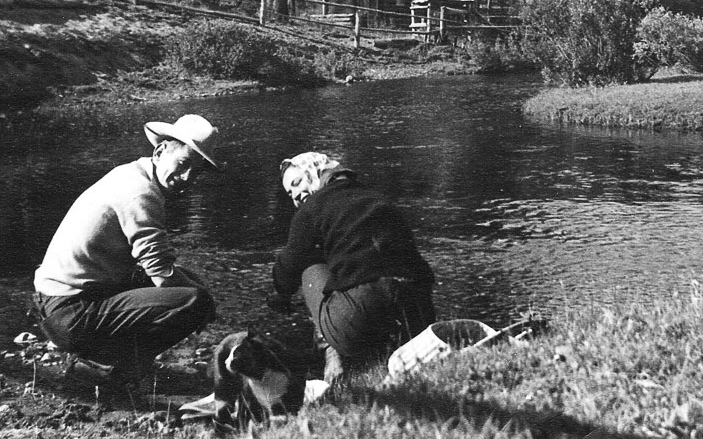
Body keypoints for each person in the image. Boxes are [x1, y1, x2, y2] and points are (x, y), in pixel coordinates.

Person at [33, 113, 223, 387]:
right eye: (183, 164)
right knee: (194, 301)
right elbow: (161, 274)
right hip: (70, 312)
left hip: (56, 301)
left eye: (197, 170)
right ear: (160, 151)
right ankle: (104, 368)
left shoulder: (132, 173)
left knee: (188, 281)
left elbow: (155, 264)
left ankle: (111, 360)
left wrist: (192, 280)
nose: (187, 177)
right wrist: (207, 302)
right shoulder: (141, 193)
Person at [268, 152, 436, 383]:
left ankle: (332, 357)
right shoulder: (375, 197)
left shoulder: (311, 210)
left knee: (308, 263)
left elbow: (287, 269)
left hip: (361, 318)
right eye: (290, 193)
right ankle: (392, 346)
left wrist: (281, 295)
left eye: (297, 183)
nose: (296, 195)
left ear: (314, 172)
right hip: (418, 312)